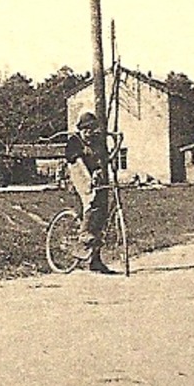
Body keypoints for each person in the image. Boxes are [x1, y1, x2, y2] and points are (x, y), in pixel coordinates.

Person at [64, 112, 114, 273]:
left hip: (93, 175)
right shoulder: (74, 142)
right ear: (80, 130)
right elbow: (77, 163)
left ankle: (95, 260)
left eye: (91, 130)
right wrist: (88, 179)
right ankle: (83, 234)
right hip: (78, 174)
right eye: (85, 130)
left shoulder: (96, 142)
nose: (89, 133)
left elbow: (102, 159)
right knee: (90, 201)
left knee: (101, 215)